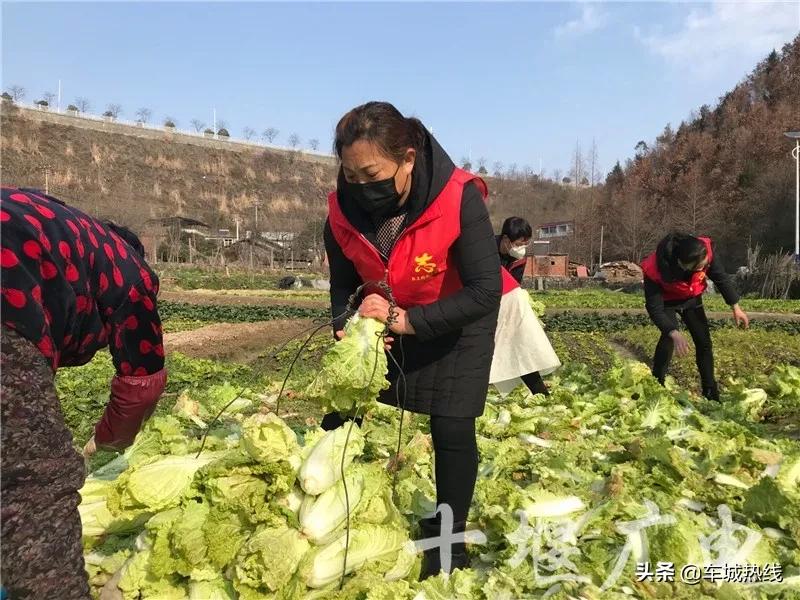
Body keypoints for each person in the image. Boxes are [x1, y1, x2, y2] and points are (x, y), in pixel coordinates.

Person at [323, 101, 501, 579]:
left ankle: (450, 540)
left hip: (457, 321)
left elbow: (486, 289)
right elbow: (343, 283)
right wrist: (350, 319)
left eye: (371, 173)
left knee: (452, 428)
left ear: (407, 157)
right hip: (385, 320)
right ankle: (327, 513)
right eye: (351, 175)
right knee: (341, 411)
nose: (361, 187)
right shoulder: (341, 209)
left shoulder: (458, 196)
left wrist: (408, 321)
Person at [0, 186, 167, 599]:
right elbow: (141, 381)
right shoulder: (131, 272)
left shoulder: (61, 228)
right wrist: (107, 444)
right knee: (33, 487)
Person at [640, 232, 749, 400]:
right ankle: (656, 385)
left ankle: (710, 392)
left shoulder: (703, 252)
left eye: (705, 266)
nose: (704, 270)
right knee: (668, 338)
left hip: (691, 299)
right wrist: (673, 332)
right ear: (681, 264)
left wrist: (735, 306)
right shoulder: (654, 269)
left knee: (704, 342)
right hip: (666, 301)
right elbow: (654, 308)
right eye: (699, 268)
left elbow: (720, 278)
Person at [493, 216, 560, 396]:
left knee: (522, 342)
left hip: (504, 307)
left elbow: (514, 286)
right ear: (506, 240)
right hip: (482, 307)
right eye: (519, 244)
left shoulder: (519, 260)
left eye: (526, 244)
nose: (522, 248)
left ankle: (540, 392)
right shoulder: (486, 250)